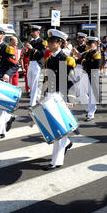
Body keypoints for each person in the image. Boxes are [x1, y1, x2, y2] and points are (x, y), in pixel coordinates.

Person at [41, 29, 76, 170]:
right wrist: (43, 96)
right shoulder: (49, 59)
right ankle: (67, 143)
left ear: (60, 43)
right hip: (50, 96)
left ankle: (56, 161)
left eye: (51, 42)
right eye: (48, 41)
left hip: (61, 97)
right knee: (53, 128)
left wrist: (70, 99)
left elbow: (71, 81)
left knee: (59, 130)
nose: (48, 44)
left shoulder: (66, 59)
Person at [24, 25, 47, 107]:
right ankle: (37, 96)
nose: (31, 33)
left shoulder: (42, 42)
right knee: (29, 82)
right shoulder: (32, 42)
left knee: (34, 84)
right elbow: (29, 55)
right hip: (31, 63)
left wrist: (32, 49)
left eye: (33, 32)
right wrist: (25, 52)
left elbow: (42, 54)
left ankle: (32, 103)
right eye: (31, 32)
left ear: (38, 32)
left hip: (37, 63)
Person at [81, 36, 102, 121]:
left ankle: (91, 113)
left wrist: (84, 62)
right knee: (80, 92)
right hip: (85, 74)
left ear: (96, 44)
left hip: (92, 74)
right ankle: (89, 108)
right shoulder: (87, 53)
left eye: (91, 44)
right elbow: (82, 61)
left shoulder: (97, 53)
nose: (89, 45)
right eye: (88, 44)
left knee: (92, 94)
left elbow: (96, 65)